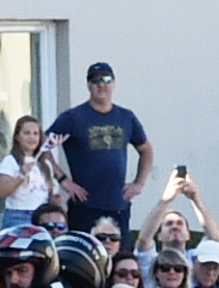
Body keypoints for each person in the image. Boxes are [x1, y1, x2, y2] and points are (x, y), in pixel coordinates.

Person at [47, 61, 151, 237]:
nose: (101, 85)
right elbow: (42, 148)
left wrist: (139, 183)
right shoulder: (73, 117)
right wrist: (64, 180)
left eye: (106, 79)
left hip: (118, 205)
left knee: (119, 259)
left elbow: (146, 150)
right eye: (95, 81)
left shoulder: (126, 117)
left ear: (113, 83)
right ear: (88, 85)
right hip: (85, 205)